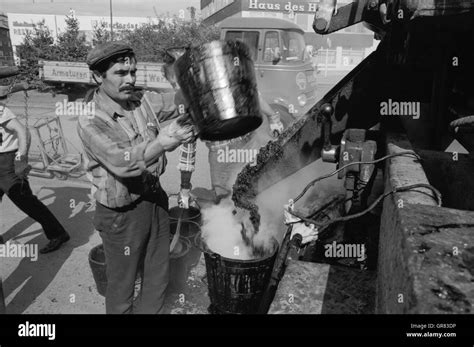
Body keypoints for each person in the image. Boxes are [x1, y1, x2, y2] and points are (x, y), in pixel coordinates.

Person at [77, 41, 195, 314]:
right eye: (120, 73)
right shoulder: (91, 120)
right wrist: (164, 142)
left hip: (154, 201)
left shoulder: (140, 100)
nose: (130, 79)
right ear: (98, 76)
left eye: (133, 71)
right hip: (122, 216)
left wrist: (195, 84)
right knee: (122, 288)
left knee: (157, 276)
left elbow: (174, 100)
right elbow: (123, 162)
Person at [160, 49, 285, 207]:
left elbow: (252, 94)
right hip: (219, 156)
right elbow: (188, 148)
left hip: (248, 145)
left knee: (257, 195)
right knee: (226, 204)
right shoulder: (182, 100)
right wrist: (185, 188)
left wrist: (273, 118)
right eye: (175, 84)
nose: (181, 88)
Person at [0, 66, 70, 254]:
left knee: (27, 203)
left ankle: (58, 234)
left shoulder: (1, 111)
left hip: (7, 163)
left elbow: (23, 132)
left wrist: (21, 159)